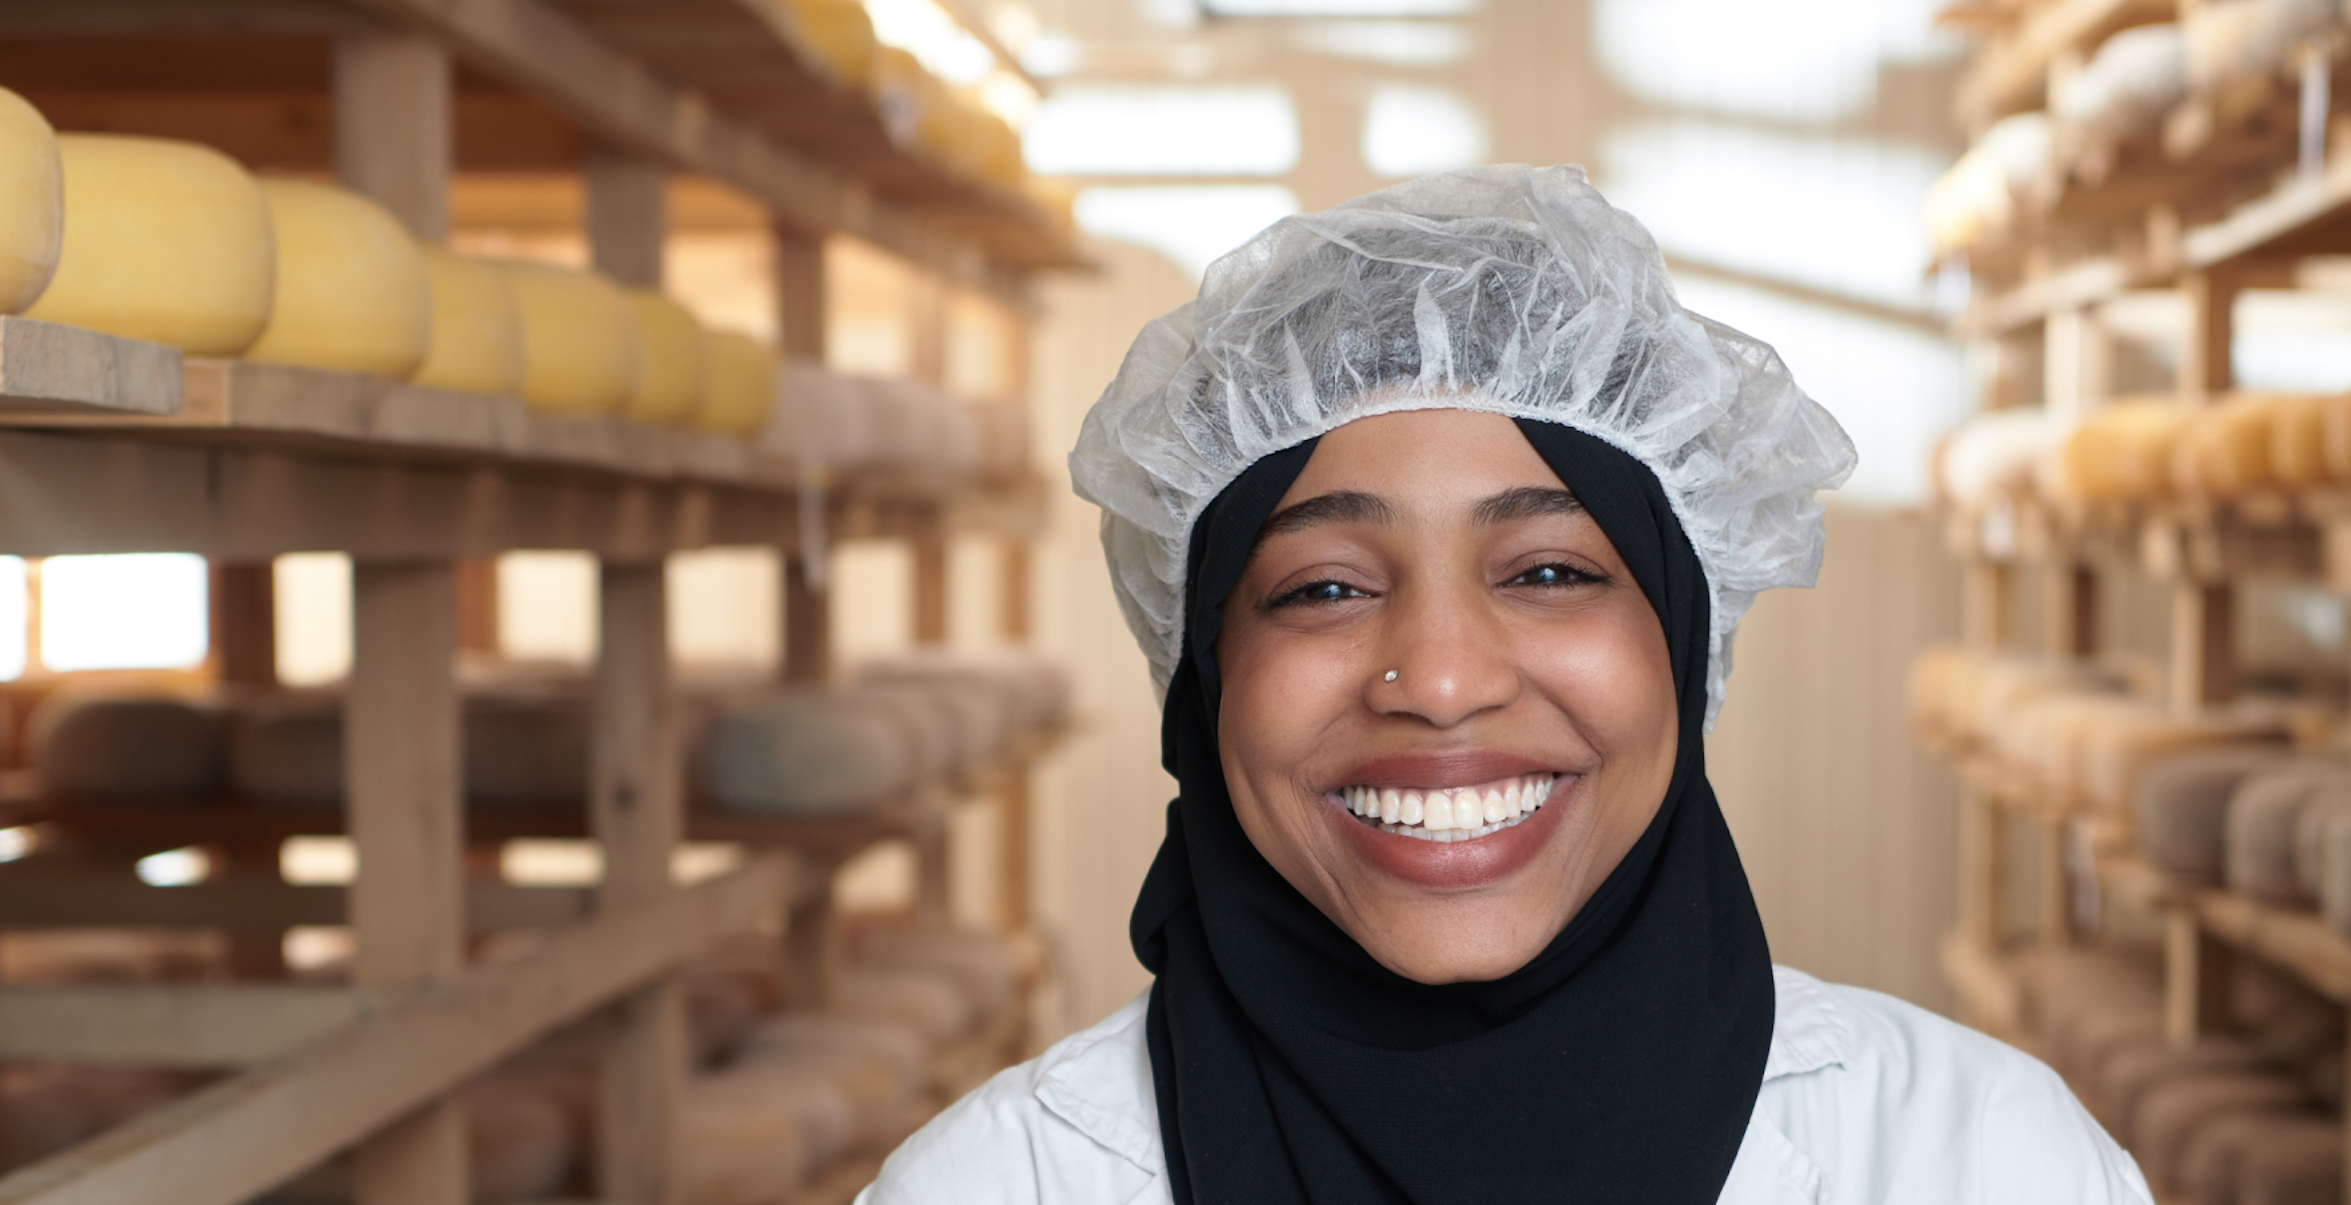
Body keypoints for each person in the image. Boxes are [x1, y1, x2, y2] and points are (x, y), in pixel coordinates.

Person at [862, 165, 2149, 1204]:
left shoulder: (1983, 1157)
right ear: (1203, 685)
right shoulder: (998, 1181)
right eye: (1322, 587)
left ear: (1681, 643)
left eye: (1545, 569)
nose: (1438, 678)